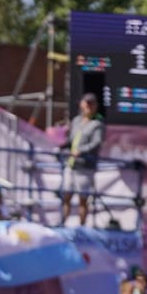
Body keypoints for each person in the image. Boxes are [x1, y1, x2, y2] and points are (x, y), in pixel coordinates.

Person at [61, 92, 105, 226]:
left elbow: (96, 143)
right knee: (66, 196)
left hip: (85, 166)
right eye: (86, 103)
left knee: (82, 198)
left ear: (95, 106)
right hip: (71, 164)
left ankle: (82, 227)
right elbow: (71, 140)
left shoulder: (97, 123)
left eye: (91, 104)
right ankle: (62, 224)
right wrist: (63, 146)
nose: (88, 107)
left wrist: (81, 151)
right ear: (82, 104)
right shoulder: (76, 121)